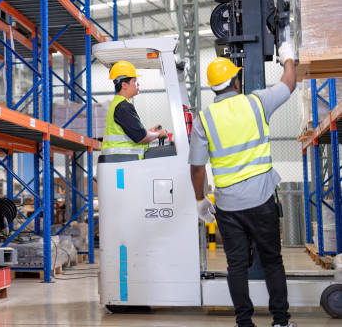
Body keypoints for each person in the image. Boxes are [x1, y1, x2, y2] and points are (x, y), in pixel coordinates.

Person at [189, 44, 297, 327]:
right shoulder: (257, 102)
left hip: (227, 207)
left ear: (214, 88)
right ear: (236, 82)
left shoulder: (204, 120)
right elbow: (288, 84)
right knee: (272, 261)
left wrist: (200, 199)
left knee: (236, 266)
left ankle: (245, 323)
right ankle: (281, 321)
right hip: (261, 202)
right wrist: (287, 58)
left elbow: (197, 167)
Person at [102, 60, 168, 158]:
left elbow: (135, 134)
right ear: (124, 85)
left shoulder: (120, 104)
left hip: (121, 160)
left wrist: (150, 132)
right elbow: (141, 138)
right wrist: (158, 134)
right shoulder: (123, 106)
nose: (138, 84)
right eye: (134, 81)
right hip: (122, 162)